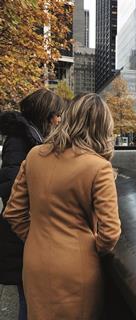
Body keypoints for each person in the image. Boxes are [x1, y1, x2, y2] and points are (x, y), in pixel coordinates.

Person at [2, 93, 121, 319]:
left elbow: (13, 213)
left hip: (34, 262)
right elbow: (110, 233)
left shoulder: (35, 155)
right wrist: (87, 248)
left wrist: (36, 238)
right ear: (103, 127)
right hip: (76, 268)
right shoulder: (99, 167)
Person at [0, 88, 65, 320]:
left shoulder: (28, 136)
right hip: (21, 240)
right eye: (57, 114)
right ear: (46, 115)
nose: (59, 120)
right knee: (30, 304)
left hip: (25, 237)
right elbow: (11, 190)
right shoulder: (21, 140)